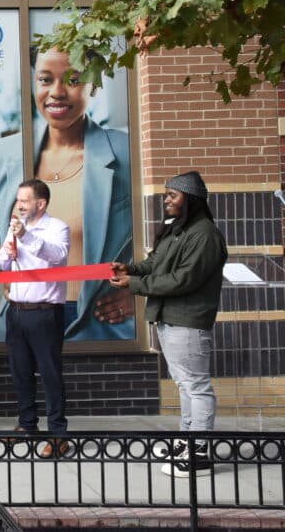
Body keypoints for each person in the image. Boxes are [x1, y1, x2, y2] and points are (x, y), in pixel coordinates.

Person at [0, 47, 133, 341]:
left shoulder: (126, 152)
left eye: (73, 80)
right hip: (23, 313)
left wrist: (139, 292)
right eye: (45, 80)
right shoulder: (4, 154)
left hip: (100, 322)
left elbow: (162, 231)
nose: (57, 92)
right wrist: (5, 267)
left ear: (92, 84)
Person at [110, 171, 227, 478]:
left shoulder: (204, 234)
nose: (166, 200)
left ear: (189, 199)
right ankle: (188, 442)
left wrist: (133, 283)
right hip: (170, 320)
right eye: (166, 194)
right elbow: (156, 265)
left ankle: (200, 453)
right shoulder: (180, 230)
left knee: (196, 387)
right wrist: (132, 268)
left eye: (172, 195)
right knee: (185, 386)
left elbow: (182, 279)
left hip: (187, 321)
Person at [0, 179, 71, 458]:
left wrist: (25, 236)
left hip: (45, 312)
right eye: (18, 200)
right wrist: (9, 249)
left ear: (41, 203)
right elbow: (5, 263)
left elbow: (57, 256)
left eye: (25, 200)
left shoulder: (57, 228)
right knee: (21, 372)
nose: (19, 205)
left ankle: (58, 434)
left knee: (50, 373)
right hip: (17, 311)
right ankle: (27, 425)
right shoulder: (14, 227)